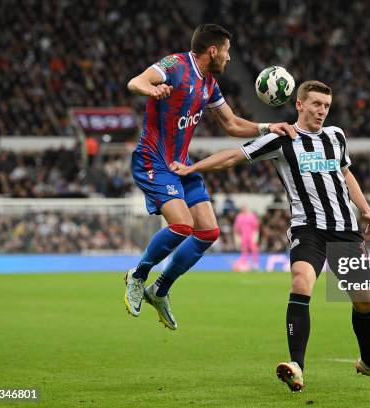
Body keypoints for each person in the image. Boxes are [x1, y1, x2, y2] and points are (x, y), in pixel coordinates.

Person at [170, 80, 370, 391]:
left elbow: (345, 173)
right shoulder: (281, 138)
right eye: (316, 104)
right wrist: (191, 168)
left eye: (326, 106)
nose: (322, 111)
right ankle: (296, 366)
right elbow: (233, 156)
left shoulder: (336, 137)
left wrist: (366, 209)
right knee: (301, 281)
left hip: (345, 230)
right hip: (309, 229)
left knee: (365, 303)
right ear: (300, 105)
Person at [123, 23, 296, 330]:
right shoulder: (176, 66)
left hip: (181, 163)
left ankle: (159, 290)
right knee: (181, 225)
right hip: (154, 158)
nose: (229, 58)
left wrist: (268, 127)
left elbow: (230, 124)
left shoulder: (209, 83)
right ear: (213, 50)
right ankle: (137, 275)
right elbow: (135, 81)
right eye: (227, 51)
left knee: (208, 232)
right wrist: (152, 89)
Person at [233, 205, 260, 270]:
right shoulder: (239, 216)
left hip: (251, 235)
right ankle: (244, 263)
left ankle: (255, 263)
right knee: (244, 250)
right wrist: (237, 237)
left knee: (254, 249)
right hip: (243, 235)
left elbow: (256, 226)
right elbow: (236, 227)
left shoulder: (251, 216)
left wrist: (256, 235)